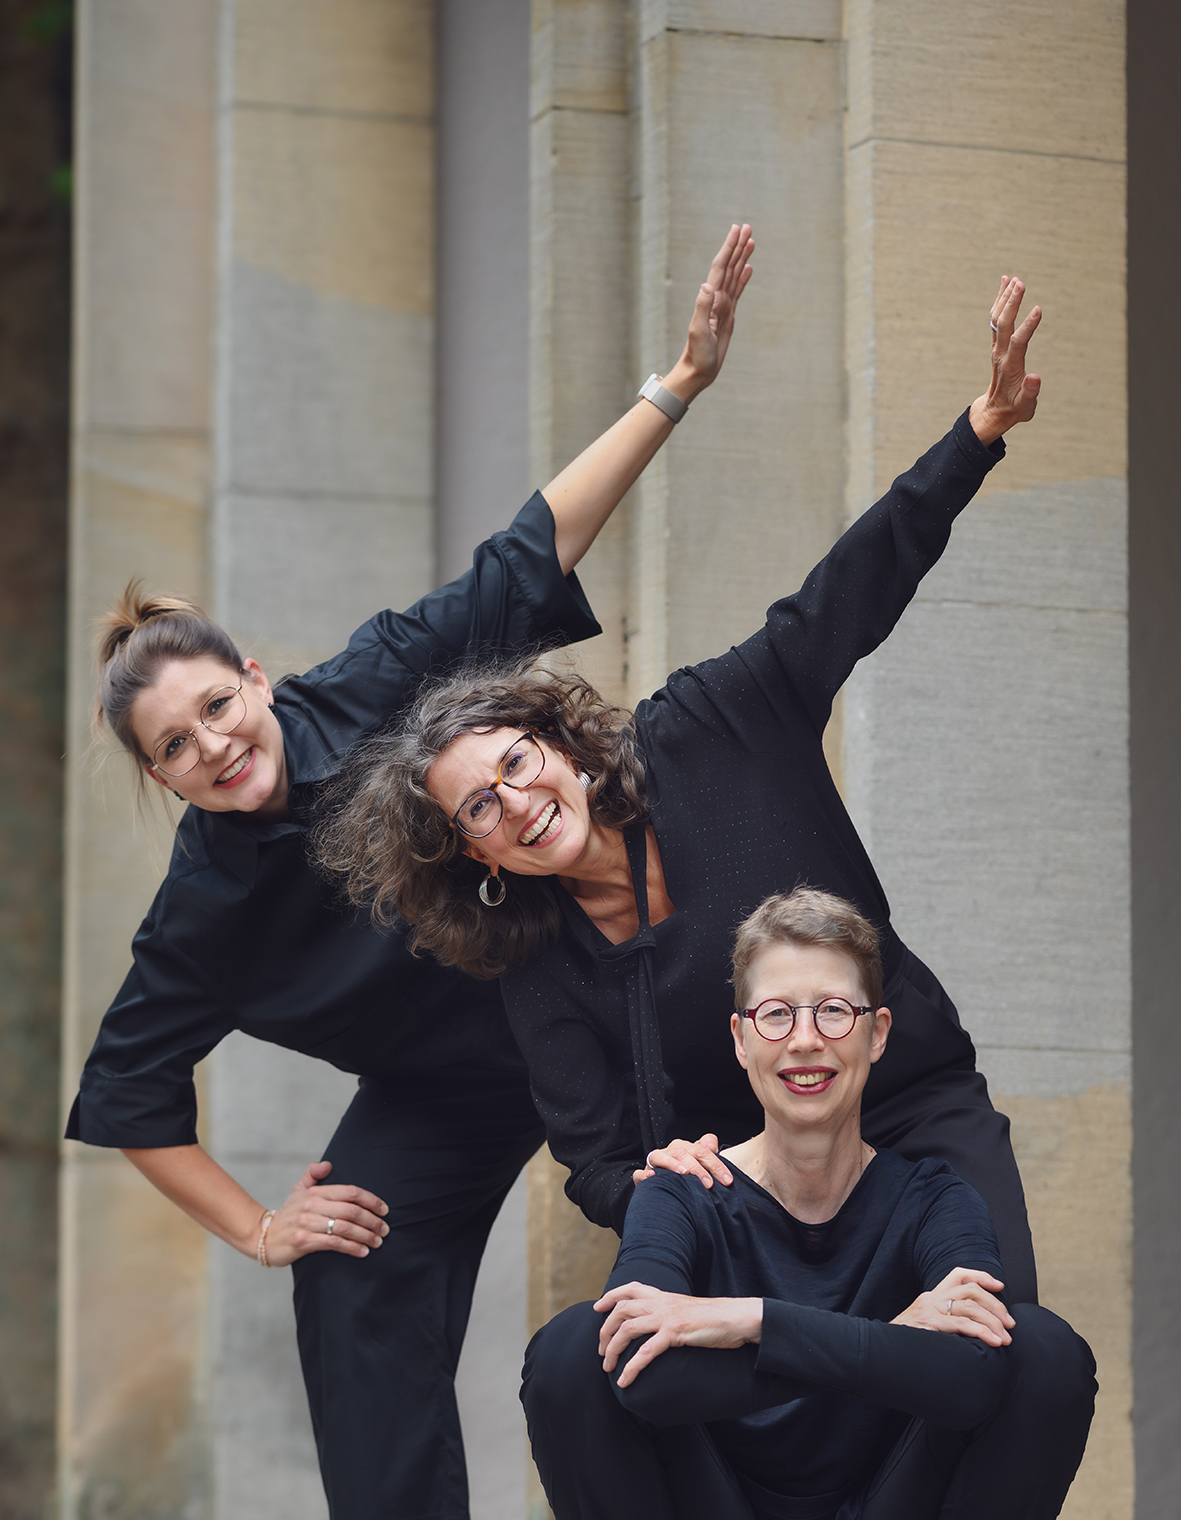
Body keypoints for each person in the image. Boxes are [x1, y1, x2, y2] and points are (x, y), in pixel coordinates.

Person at [66, 224, 756, 1520]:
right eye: (175, 744)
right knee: (349, 1275)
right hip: (444, 1091)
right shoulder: (198, 916)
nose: (212, 742)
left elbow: (524, 556)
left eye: (216, 703)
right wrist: (265, 1225)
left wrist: (674, 383)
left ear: (255, 677)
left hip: (588, 999)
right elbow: (133, 1096)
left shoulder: (376, 675)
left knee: (712, 1207)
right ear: (162, 775)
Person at [315, 274, 1045, 1303]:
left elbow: (839, 599)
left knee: (1002, 1355)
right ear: (473, 853)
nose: (515, 802)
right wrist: (659, 1177)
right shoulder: (535, 958)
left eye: (516, 763)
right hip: (757, 1194)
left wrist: (974, 434)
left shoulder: (706, 728)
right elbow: (599, 1163)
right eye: (480, 807)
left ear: (560, 743)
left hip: (908, 1105)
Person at [520, 889, 1096, 1520]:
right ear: (740, 1039)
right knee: (572, 1349)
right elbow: (641, 1379)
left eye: (832, 1011)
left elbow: (973, 1378)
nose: (803, 1040)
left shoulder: (935, 1196)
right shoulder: (680, 1189)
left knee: (1044, 1350)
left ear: (876, 1032)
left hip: (886, 1512)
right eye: (775, 1014)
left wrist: (749, 1319)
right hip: (716, 1512)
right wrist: (893, 1333)